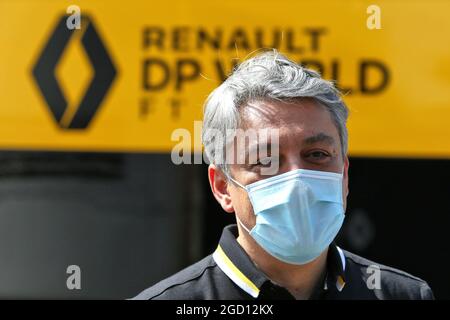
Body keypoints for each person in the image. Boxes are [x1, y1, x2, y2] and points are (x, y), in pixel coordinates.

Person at [134, 50, 434, 300]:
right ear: (223, 187)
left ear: (344, 175)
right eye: (265, 160)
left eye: (316, 155)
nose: (297, 181)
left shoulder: (404, 295)